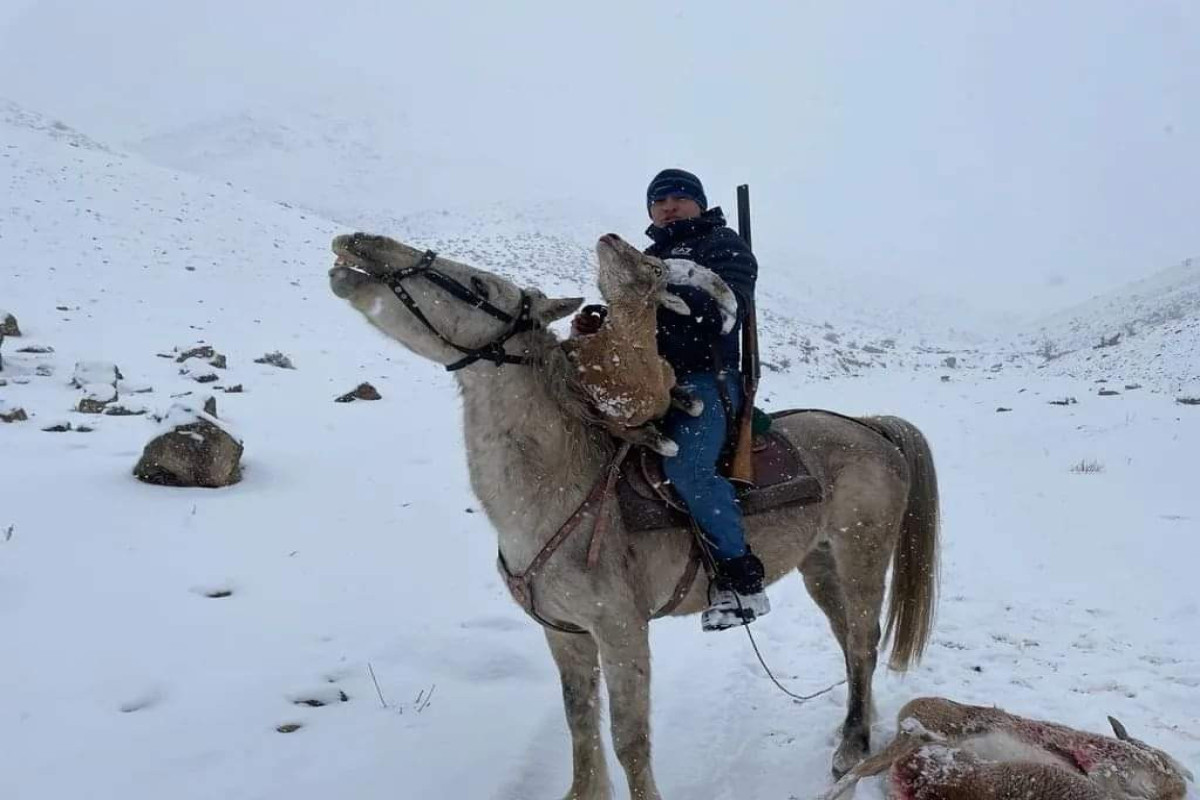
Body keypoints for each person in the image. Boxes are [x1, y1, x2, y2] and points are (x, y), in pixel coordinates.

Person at [575, 168, 768, 631]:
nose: (669, 206)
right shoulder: (645, 258)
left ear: (699, 203)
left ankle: (740, 581)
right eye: (659, 201)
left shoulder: (722, 246)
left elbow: (720, 314)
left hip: (705, 379)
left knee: (689, 468)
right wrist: (603, 324)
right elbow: (632, 323)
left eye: (680, 197)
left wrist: (656, 303)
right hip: (645, 383)